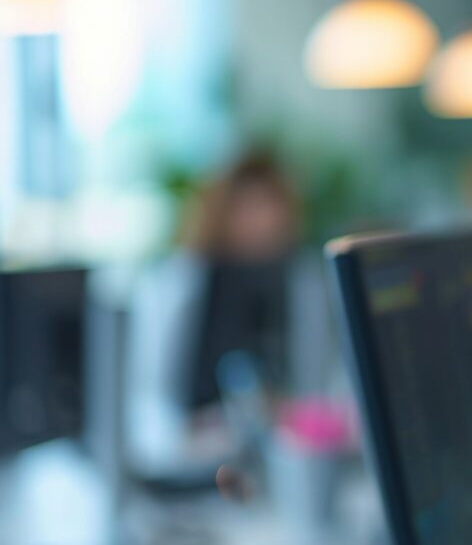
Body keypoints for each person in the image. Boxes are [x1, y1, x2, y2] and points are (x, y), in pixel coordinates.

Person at [125, 153, 335, 482]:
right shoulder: (179, 283)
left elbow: (317, 389)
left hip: (282, 468)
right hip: (192, 465)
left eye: (271, 205)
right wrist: (186, 437)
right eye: (249, 207)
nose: (264, 221)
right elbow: (147, 398)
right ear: (222, 212)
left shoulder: (304, 282)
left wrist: (283, 416)